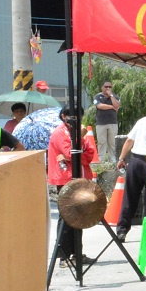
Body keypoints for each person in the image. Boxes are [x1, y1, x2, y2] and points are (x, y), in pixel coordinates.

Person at [47, 106, 97, 264]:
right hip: (65, 179)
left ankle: (77, 253)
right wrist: (80, 139)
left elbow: (89, 154)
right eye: (72, 116)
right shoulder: (59, 133)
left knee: (79, 216)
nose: (75, 119)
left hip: (80, 177)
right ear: (63, 116)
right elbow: (71, 154)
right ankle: (63, 255)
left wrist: (76, 154)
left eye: (78, 116)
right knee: (67, 217)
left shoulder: (76, 133)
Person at [114, 104, 146, 240]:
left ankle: (122, 230)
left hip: (136, 161)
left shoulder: (143, 121)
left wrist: (121, 158)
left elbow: (129, 140)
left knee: (129, 196)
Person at [93, 80, 121, 160]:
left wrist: (111, 96)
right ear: (102, 87)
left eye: (110, 87)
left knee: (112, 142)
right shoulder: (98, 96)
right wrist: (111, 107)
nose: (108, 88)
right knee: (101, 142)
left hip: (112, 123)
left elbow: (117, 106)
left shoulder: (115, 97)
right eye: (106, 87)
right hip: (101, 123)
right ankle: (101, 159)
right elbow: (99, 106)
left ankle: (113, 159)